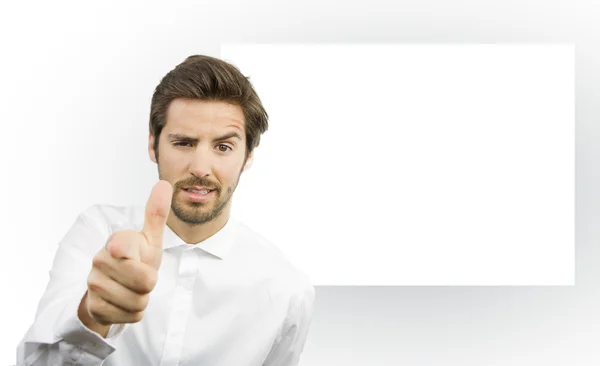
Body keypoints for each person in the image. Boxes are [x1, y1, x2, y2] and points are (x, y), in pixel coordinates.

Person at [17, 55, 315, 365]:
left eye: (223, 147)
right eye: (184, 143)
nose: (200, 168)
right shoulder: (98, 233)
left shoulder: (286, 289)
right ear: (153, 145)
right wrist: (93, 318)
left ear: (248, 155)